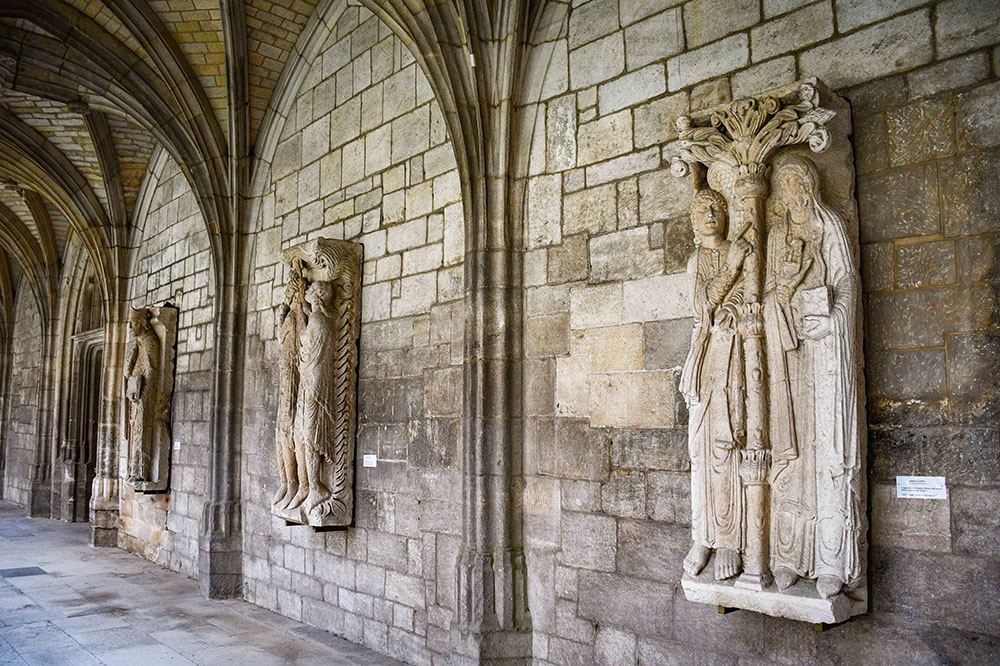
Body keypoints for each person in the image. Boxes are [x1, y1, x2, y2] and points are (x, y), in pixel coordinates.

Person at [763, 155, 863, 598]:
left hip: (824, 355)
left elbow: (846, 282)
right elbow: (766, 294)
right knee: (792, 456)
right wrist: (781, 298)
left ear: (811, 185)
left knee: (827, 454)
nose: (792, 193)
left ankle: (829, 560)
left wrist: (834, 321)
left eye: (797, 183)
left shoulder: (831, 227)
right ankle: (788, 556)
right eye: (784, 187)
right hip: (787, 358)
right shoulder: (777, 236)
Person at [680, 187, 751, 581]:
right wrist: (731, 269)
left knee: (728, 445)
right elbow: (701, 304)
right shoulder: (698, 260)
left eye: (716, 207)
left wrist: (733, 297)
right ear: (693, 220)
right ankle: (701, 536)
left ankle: (728, 539)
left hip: (732, 358)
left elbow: (747, 300)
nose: (710, 213)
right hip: (705, 358)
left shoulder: (738, 248)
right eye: (702, 209)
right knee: (700, 450)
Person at [124, 308, 162, 483]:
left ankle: (141, 471)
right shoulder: (138, 345)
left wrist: (142, 396)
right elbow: (128, 373)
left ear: (140, 322)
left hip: (143, 395)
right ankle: (133, 469)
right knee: (134, 432)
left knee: (141, 432)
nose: (130, 327)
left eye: (132, 323)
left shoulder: (149, 342)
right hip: (135, 395)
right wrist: (131, 359)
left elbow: (151, 372)